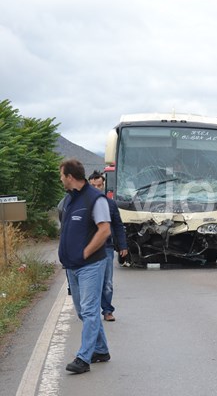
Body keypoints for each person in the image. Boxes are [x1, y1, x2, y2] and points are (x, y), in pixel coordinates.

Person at [58, 159, 111, 374]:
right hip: (71, 266)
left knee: (89, 311)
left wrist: (86, 252)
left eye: (62, 175)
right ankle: (101, 349)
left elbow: (104, 230)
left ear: (70, 176)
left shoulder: (95, 199)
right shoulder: (69, 199)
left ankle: (83, 358)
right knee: (83, 312)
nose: (60, 179)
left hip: (90, 265)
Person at [89, 170, 129, 322]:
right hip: (89, 248)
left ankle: (107, 310)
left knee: (107, 282)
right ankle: (91, 311)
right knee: (91, 281)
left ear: (103, 185)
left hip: (106, 247)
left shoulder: (110, 204)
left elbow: (118, 226)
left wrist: (123, 246)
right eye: (93, 185)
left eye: (99, 185)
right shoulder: (84, 203)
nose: (96, 188)